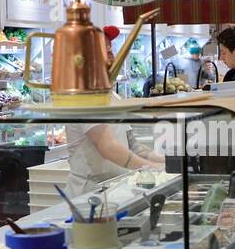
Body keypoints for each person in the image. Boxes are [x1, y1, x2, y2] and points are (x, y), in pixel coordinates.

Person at [65, 37, 164, 196]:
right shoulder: (85, 95)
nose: (110, 50)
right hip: (91, 193)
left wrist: (165, 162)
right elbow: (108, 147)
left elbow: (133, 146)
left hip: (115, 187)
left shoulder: (112, 96)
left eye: (110, 46)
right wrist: (151, 168)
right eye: (103, 48)